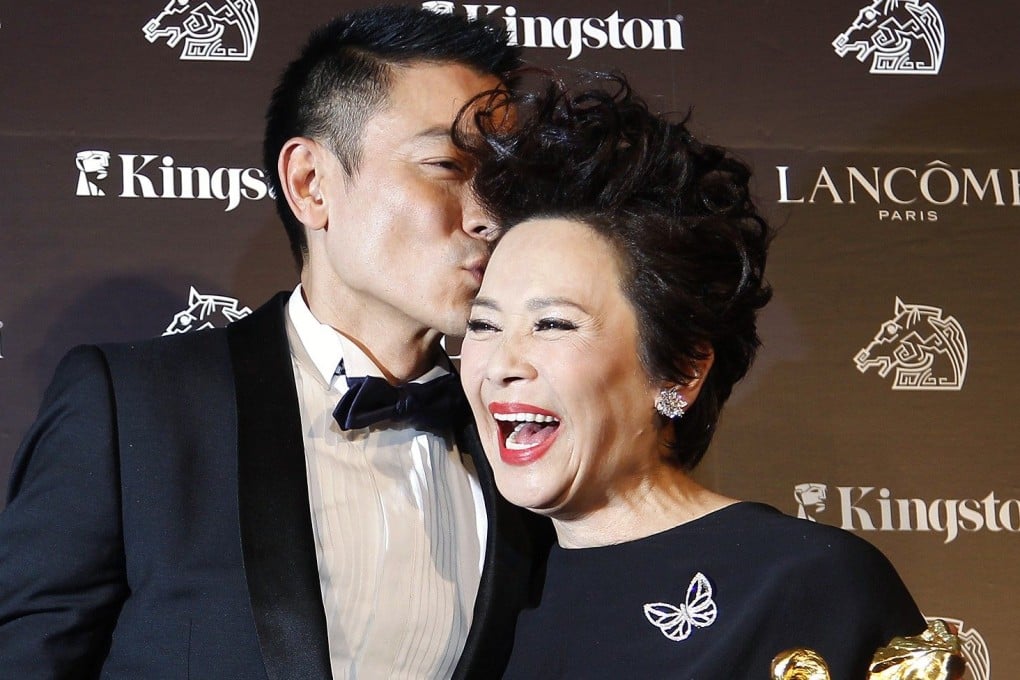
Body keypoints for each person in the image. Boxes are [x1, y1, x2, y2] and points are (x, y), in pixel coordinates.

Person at [0, 7, 549, 679]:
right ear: (311, 184)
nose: (489, 213)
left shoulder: (526, 438)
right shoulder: (135, 410)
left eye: (504, 179)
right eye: (444, 164)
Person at [456, 74, 926, 679]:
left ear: (679, 369)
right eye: (484, 326)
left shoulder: (806, 582)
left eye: (553, 324)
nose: (501, 366)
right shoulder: (482, 601)